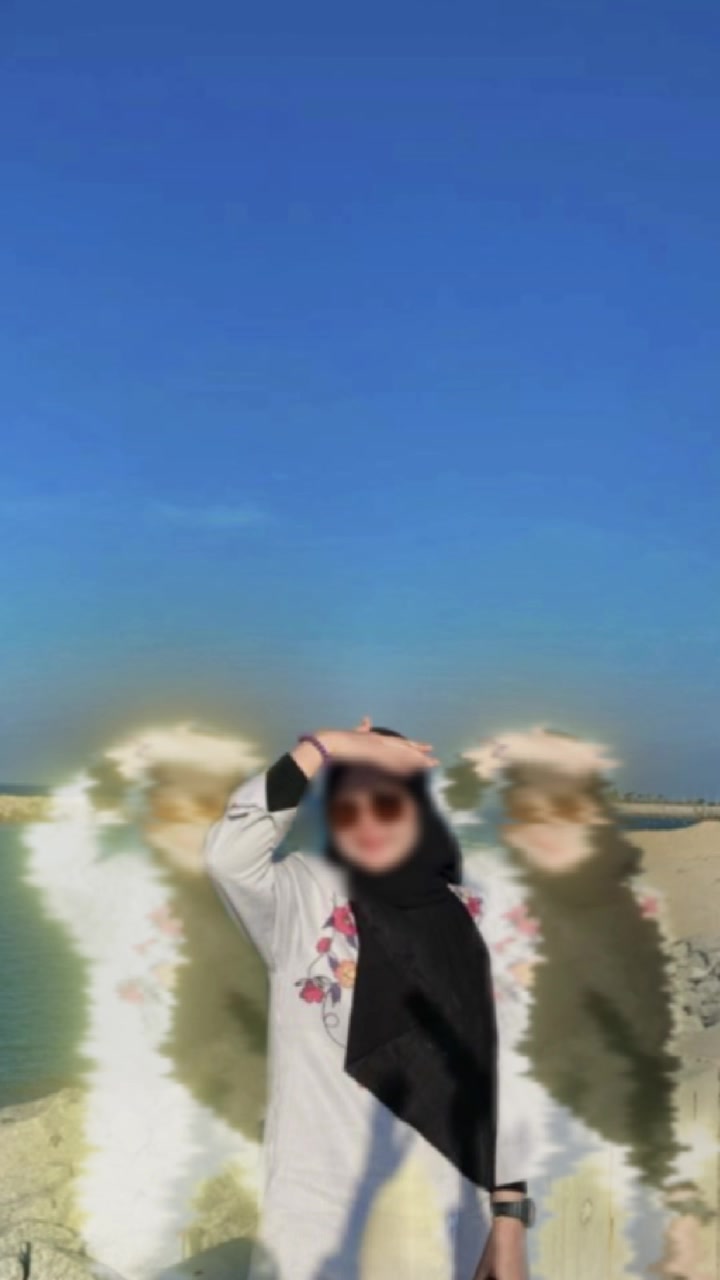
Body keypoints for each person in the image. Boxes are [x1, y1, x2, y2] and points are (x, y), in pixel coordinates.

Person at [203, 717, 534, 1280]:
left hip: (450, 1208)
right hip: (323, 1216)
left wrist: (510, 1217)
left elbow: (505, 1073)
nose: (368, 821)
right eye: (347, 803)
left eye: (387, 800)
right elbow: (227, 855)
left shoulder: (474, 914)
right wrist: (322, 747)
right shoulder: (302, 896)